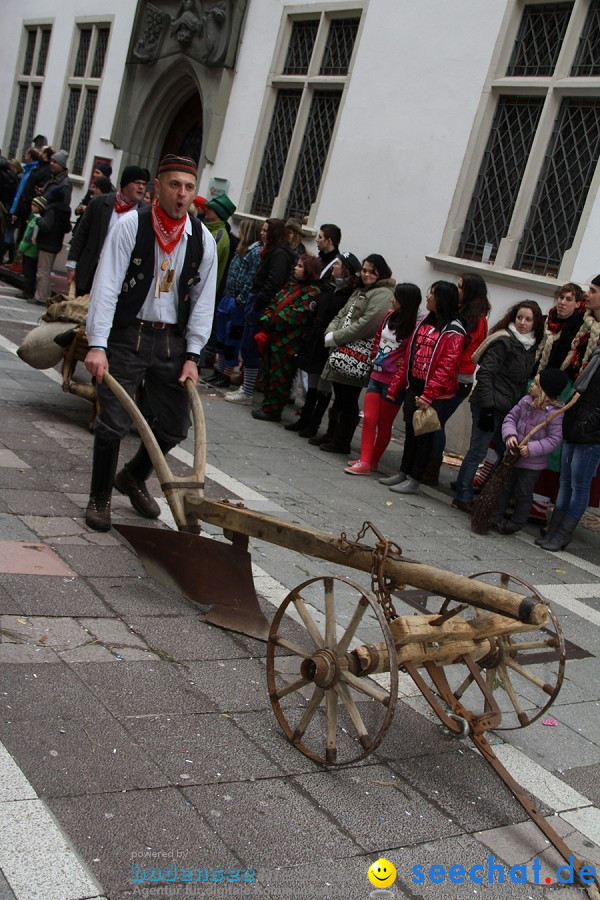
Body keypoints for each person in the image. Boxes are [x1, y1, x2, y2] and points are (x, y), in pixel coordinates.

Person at [83, 154, 218, 532]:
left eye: (189, 187)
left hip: (172, 341)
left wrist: (194, 354)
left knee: (175, 426)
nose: (182, 194)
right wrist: (97, 344)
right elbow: (106, 285)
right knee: (112, 422)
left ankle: (132, 475)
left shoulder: (202, 240)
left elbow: (205, 300)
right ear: (158, 186)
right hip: (128, 334)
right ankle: (99, 498)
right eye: (175, 185)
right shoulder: (131, 226)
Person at [452, 300, 544, 512]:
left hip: (508, 409)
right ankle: (463, 495)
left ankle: (487, 494)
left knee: (505, 453)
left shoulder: (530, 346)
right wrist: (487, 406)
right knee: (478, 451)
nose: (522, 323)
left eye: (528, 319)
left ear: (535, 323)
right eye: (519, 317)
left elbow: (522, 381)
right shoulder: (504, 341)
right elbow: (484, 374)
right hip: (489, 405)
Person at [382, 281, 467, 494]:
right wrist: (397, 387)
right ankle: (403, 471)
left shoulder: (454, 331)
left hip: (435, 395)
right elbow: (410, 355)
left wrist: (429, 396)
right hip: (415, 386)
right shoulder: (424, 322)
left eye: (433, 294)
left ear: (442, 300)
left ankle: (414, 478)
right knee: (410, 432)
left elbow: (446, 367)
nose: (428, 297)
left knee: (424, 437)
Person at [536, 277, 600, 550]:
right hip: (575, 409)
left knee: (579, 482)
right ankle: (555, 529)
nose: (588, 294)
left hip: (592, 422)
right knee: (566, 477)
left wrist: (591, 419)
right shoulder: (584, 325)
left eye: (594, 291)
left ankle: (564, 533)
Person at [319, 255, 395, 454]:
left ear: (381, 272)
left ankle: (341, 440)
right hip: (342, 347)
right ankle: (332, 434)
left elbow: (368, 324)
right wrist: (330, 332)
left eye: (372, 271)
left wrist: (337, 337)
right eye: (364, 270)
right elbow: (341, 314)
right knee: (340, 396)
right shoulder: (360, 290)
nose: (367, 274)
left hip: (356, 353)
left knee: (348, 398)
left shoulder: (383, 294)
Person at [345, 282, 421, 475]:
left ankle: (372, 461)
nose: (392, 299)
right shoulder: (389, 315)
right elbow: (379, 336)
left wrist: (400, 366)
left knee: (384, 423)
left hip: (394, 382)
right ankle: (365, 460)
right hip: (376, 374)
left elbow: (411, 352)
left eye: (396, 297)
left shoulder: (415, 326)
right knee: (369, 418)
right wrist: (374, 355)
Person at [424, 273, 490, 485]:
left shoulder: (476, 319)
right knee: (433, 420)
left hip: (459, 378)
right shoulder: (461, 313)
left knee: (436, 422)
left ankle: (432, 468)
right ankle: (427, 464)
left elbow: (464, 350)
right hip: (449, 375)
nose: (457, 289)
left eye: (461, 287)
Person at [292, 251, 361, 439]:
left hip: (329, 343)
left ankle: (314, 423)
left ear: (346, 270)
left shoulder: (348, 295)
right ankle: (304, 419)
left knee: (323, 386)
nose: (333, 267)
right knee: (312, 381)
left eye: (337, 265)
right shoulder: (328, 288)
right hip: (316, 340)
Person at [225, 218, 294, 405]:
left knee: (252, 347)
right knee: (248, 347)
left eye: (265, 230)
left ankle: (247, 392)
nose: (262, 233)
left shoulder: (279, 253)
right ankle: (245, 388)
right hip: (256, 300)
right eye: (262, 230)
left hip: (261, 303)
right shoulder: (272, 251)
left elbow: (274, 281)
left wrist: (258, 303)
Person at [492, 369, 567, 534]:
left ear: (545, 391)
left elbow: (554, 440)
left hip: (532, 463)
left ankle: (516, 523)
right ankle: (495, 516)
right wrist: (510, 435)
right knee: (504, 486)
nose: (531, 385)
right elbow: (511, 418)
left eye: (535, 384)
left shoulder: (554, 414)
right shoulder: (525, 401)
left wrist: (531, 449)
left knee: (523, 492)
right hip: (513, 455)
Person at [251, 253, 323, 422]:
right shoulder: (291, 286)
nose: (295, 268)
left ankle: (273, 410)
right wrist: (266, 318)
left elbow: (298, 314)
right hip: (274, 338)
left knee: (280, 376)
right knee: (269, 372)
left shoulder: (313, 292)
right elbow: (275, 302)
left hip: (288, 342)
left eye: (300, 266)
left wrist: (275, 322)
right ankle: (267, 404)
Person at [66, 165, 148, 296]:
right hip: (91, 269)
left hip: (120, 276)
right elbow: (81, 234)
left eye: (144, 184)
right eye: (137, 183)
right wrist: (72, 265)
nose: (142, 188)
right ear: (126, 184)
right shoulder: (99, 203)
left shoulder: (145, 214)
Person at [207, 218, 263, 388]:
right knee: (222, 338)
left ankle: (226, 374)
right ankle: (219, 370)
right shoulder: (241, 249)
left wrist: (240, 299)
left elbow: (251, 278)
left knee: (232, 339)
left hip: (237, 301)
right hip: (228, 296)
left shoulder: (255, 252)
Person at [34, 186, 72, 306]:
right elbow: (67, 228)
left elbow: (46, 226)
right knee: (47, 270)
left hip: (46, 243)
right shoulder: (66, 210)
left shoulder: (51, 209)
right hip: (56, 243)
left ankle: (41, 297)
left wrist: (38, 220)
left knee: (43, 271)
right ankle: (43, 295)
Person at [204, 193, 236, 297]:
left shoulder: (219, 236)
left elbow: (205, 262)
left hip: (204, 288)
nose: (206, 209)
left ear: (218, 213)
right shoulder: (211, 230)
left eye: (210, 208)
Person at [17, 196, 46, 300]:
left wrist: (21, 248)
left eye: (34, 205)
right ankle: (28, 290)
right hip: (31, 250)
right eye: (32, 204)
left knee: (29, 272)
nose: (32, 207)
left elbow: (29, 236)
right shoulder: (33, 217)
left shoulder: (36, 220)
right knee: (30, 271)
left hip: (30, 250)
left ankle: (28, 291)